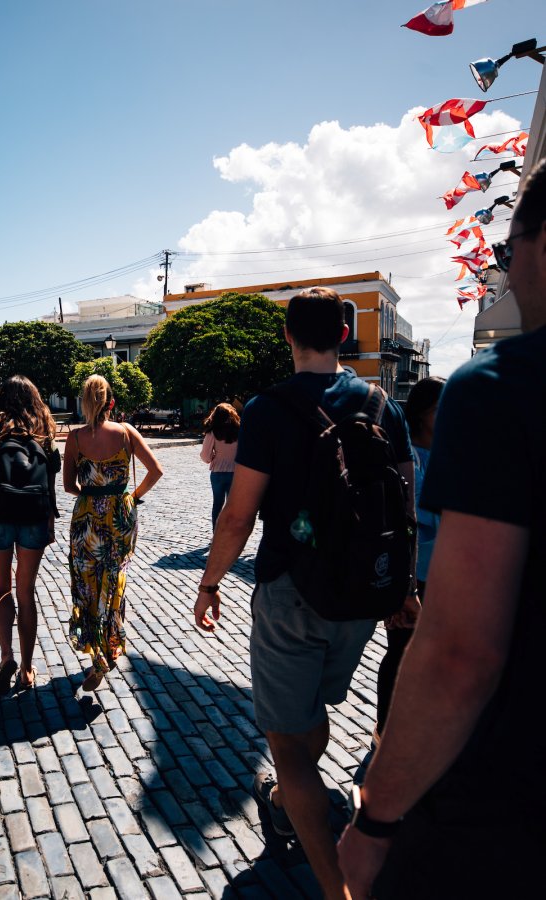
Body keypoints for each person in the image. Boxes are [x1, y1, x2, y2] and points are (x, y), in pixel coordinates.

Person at [338, 158, 546, 900]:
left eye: (505, 251)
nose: (504, 271)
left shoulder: (500, 388)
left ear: (538, 243)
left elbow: (462, 652)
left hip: (509, 800)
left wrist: (376, 820)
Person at [193, 287, 415, 900]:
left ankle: (337, 887)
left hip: (291, 589)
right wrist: (402, 586)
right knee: (310, 717)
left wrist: (210, 582)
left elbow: (237, 518)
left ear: (287, 337)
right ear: (344, 336)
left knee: (288, 747)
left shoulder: (268, 410)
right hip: (361, 598)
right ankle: (296, 804)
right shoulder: (380, 403)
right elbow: (405, 506)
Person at [65, 374, 163, 690]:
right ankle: (111, 645)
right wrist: (129, 497)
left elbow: (68, 485)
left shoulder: (75, 438)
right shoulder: (126, 434)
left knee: (86, 585)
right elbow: (155, 471)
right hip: (121, 517)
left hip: (86, 519)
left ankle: (98, 657)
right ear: (112, 402)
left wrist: (92, 492)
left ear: (84, 402)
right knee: (113, 581)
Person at [0, 375, 60, 694]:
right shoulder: (43, 430)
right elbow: (49, 484)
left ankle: (6, 656)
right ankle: (26, 668)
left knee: (0, 590)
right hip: (34, 517)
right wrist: (49, 521)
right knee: (26, 592)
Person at [374, 375, 445, 743]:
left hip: (449, 574)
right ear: (420, 414)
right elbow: (407, 516)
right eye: (439, 408)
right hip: (412, 572)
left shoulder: (455, 453)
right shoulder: (408, 455)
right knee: (400, 652)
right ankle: (385, 730)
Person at [199, 402, 240, 529]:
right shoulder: (241, 431)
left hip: (218, 473)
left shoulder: (212, 433)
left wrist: (213, 458)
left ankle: (216, 534)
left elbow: (205, 456)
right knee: (233, 505)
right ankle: (231, 534)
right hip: (236, 472)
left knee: (217, 504)